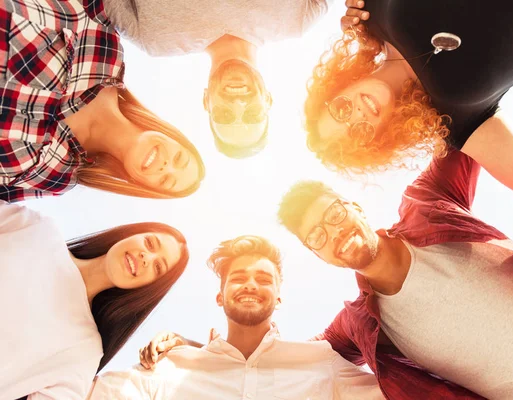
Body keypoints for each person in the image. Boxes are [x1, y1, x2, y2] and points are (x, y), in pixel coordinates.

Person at [277, 150, 513, 399]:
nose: (334, 232)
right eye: (317, 237)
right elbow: (296, 359)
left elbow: (463, 118)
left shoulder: (428, 203)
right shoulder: (360, 324)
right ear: (316, 255)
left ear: (356, 207)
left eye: (334, 213)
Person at [304, 0, 513, 263]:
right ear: (376, 141)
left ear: (337, 86)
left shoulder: (372, 15)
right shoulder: (454, 121)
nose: (357, 116)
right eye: (358, 134)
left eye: (340, 110)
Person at [90, 235, 384, 400]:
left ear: (279, 298)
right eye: (239, 278)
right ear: (220, 296)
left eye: (264, 279)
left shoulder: (321, 362)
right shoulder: (172, 367)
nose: (251, 285)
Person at [0, 0, 205, 202]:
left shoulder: (55, 179)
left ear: (142, 186)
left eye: (165, 180)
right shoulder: (107, 53)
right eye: (179, 158)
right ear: (171, 135)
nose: (165, 167)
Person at [0, 201, 189, 400]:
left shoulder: (85, 350)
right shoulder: (39, 230)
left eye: (157, 267)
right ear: (131, 233)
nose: (146, 257)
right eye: (150, 244)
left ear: (148, 288)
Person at [104, 0, 332, 158]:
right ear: (269, 100)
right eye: (252, 114)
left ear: (206, 101)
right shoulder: (300, 16)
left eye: (225, 115)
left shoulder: (152, 37)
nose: (238, 104)